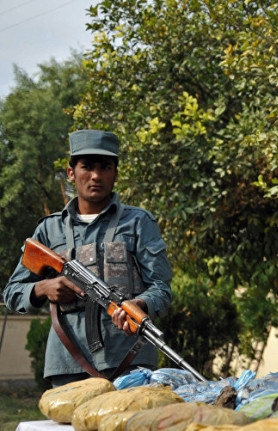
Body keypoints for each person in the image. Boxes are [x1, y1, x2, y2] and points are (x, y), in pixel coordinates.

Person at [3, 129, 173, 387]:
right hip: (68, 363)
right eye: (87, 167)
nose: (96, 175)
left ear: (115, 174)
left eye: (105, 167)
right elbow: (12, 293)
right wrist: (43, 288)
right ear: (71, 173)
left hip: (130, 363)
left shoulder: (139, 222)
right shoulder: (49, 230)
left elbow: (161, 289)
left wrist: (140, 304)